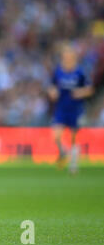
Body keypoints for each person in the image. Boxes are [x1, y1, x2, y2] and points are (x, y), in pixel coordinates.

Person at [47, 43, 94, 174]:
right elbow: (51, 86)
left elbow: (89, 89)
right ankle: (64, 152)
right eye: (64, 56)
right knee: (56, 136)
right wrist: (52, 92)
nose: (66, 58)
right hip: (61, 108)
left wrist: (80, 92)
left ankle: (73, 165)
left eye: (69, 56)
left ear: (73, 57)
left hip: (75, 109)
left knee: (74, 137)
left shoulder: (80, 72)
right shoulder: (58, 71)